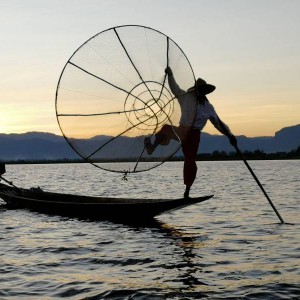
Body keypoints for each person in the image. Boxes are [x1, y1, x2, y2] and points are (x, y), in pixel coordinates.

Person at [144, 67, 237, 199]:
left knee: (190, 161)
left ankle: (187, 192)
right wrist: (170, 74)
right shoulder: (187, 97)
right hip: (182, 130)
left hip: (194, 135)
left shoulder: (208, 107)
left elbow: (218, 123)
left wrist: (230, 135)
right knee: (165, 129)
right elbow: (175, 89)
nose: (200, 93)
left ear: (205, 92)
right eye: (199, 90)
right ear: (196, 90)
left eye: (203, 91)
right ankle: (151, 148)